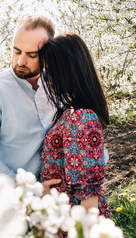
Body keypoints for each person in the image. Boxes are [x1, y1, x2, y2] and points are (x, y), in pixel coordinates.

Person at [0, 15, 59, 182]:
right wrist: (27, 191)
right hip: (10, 197)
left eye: (31, 55)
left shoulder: (59, 88)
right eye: (16, 51)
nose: (20, 61)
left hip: (55, 198)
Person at [38, 32, 111, 218]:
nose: (47, 79)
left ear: (66, 71)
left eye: (50, 71)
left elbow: (89, 202)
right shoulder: (71, 113)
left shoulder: (82, 118)